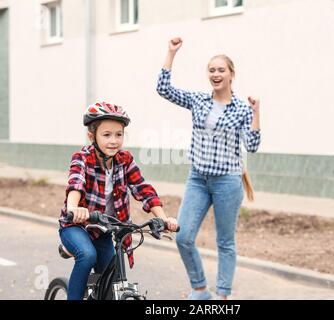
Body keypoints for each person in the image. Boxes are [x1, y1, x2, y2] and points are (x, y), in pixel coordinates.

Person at [156, 38, 261, 300]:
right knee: (183, 236)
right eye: (212, 70)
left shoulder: (242, 110)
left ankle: (222, 296)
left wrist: (257, 112)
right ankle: (201, 289)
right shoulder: (199, 100)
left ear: (231, 75)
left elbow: (253, 145)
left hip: (228, 181)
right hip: (198, 179)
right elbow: (163, 88)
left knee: (225, 243)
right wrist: (171, 53)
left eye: (221, 70)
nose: (216, 74)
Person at [58, 101, 178, 300]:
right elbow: (75, 183)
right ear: (91, 136)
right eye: (106, 135)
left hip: (105, 230)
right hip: (77, 225)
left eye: (118, 134)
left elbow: (143, 189)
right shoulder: (82, 158)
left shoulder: (125, 160)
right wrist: (73, 208)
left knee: (113, 276)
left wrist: (163, 219)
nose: (113, 140)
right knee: (87, 256)